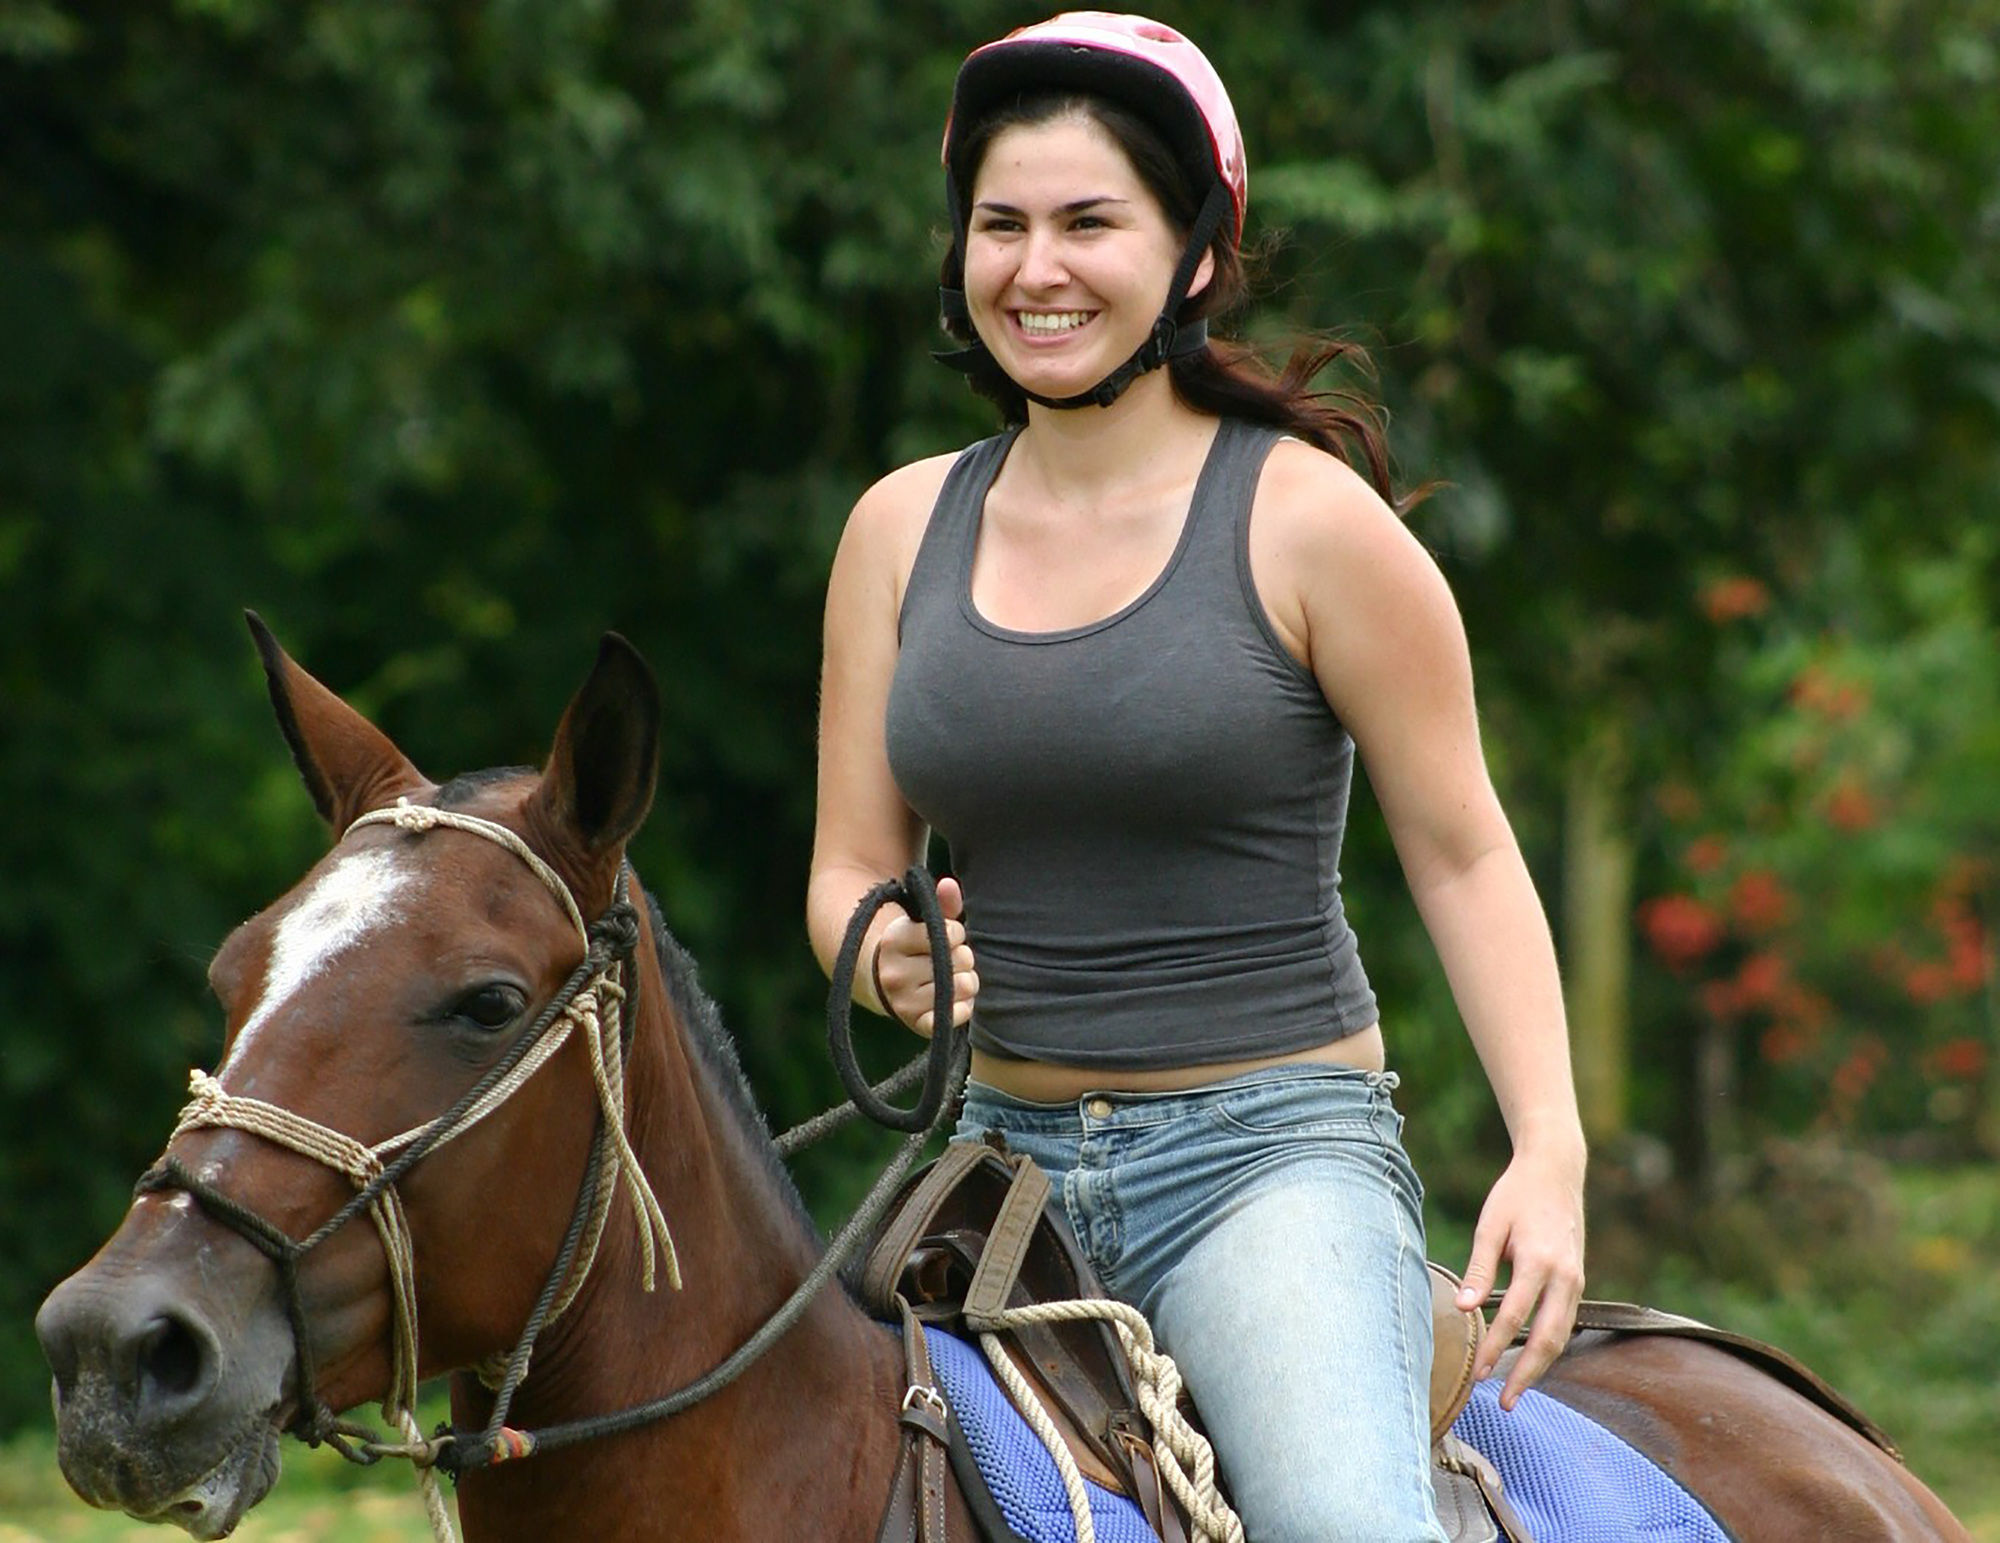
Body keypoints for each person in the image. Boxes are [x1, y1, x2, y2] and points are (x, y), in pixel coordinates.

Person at [808, 13, 1586, 1540]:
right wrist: (879, 952)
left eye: (1091, 222)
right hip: (990, 1175)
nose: (1038, 267)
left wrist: (1549, 1153)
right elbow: (846, 865)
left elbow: (1466, 853)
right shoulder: (897, 532)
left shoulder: (1310, 529)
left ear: (1195, 255)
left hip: (1265, 1169)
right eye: (1000, 224)